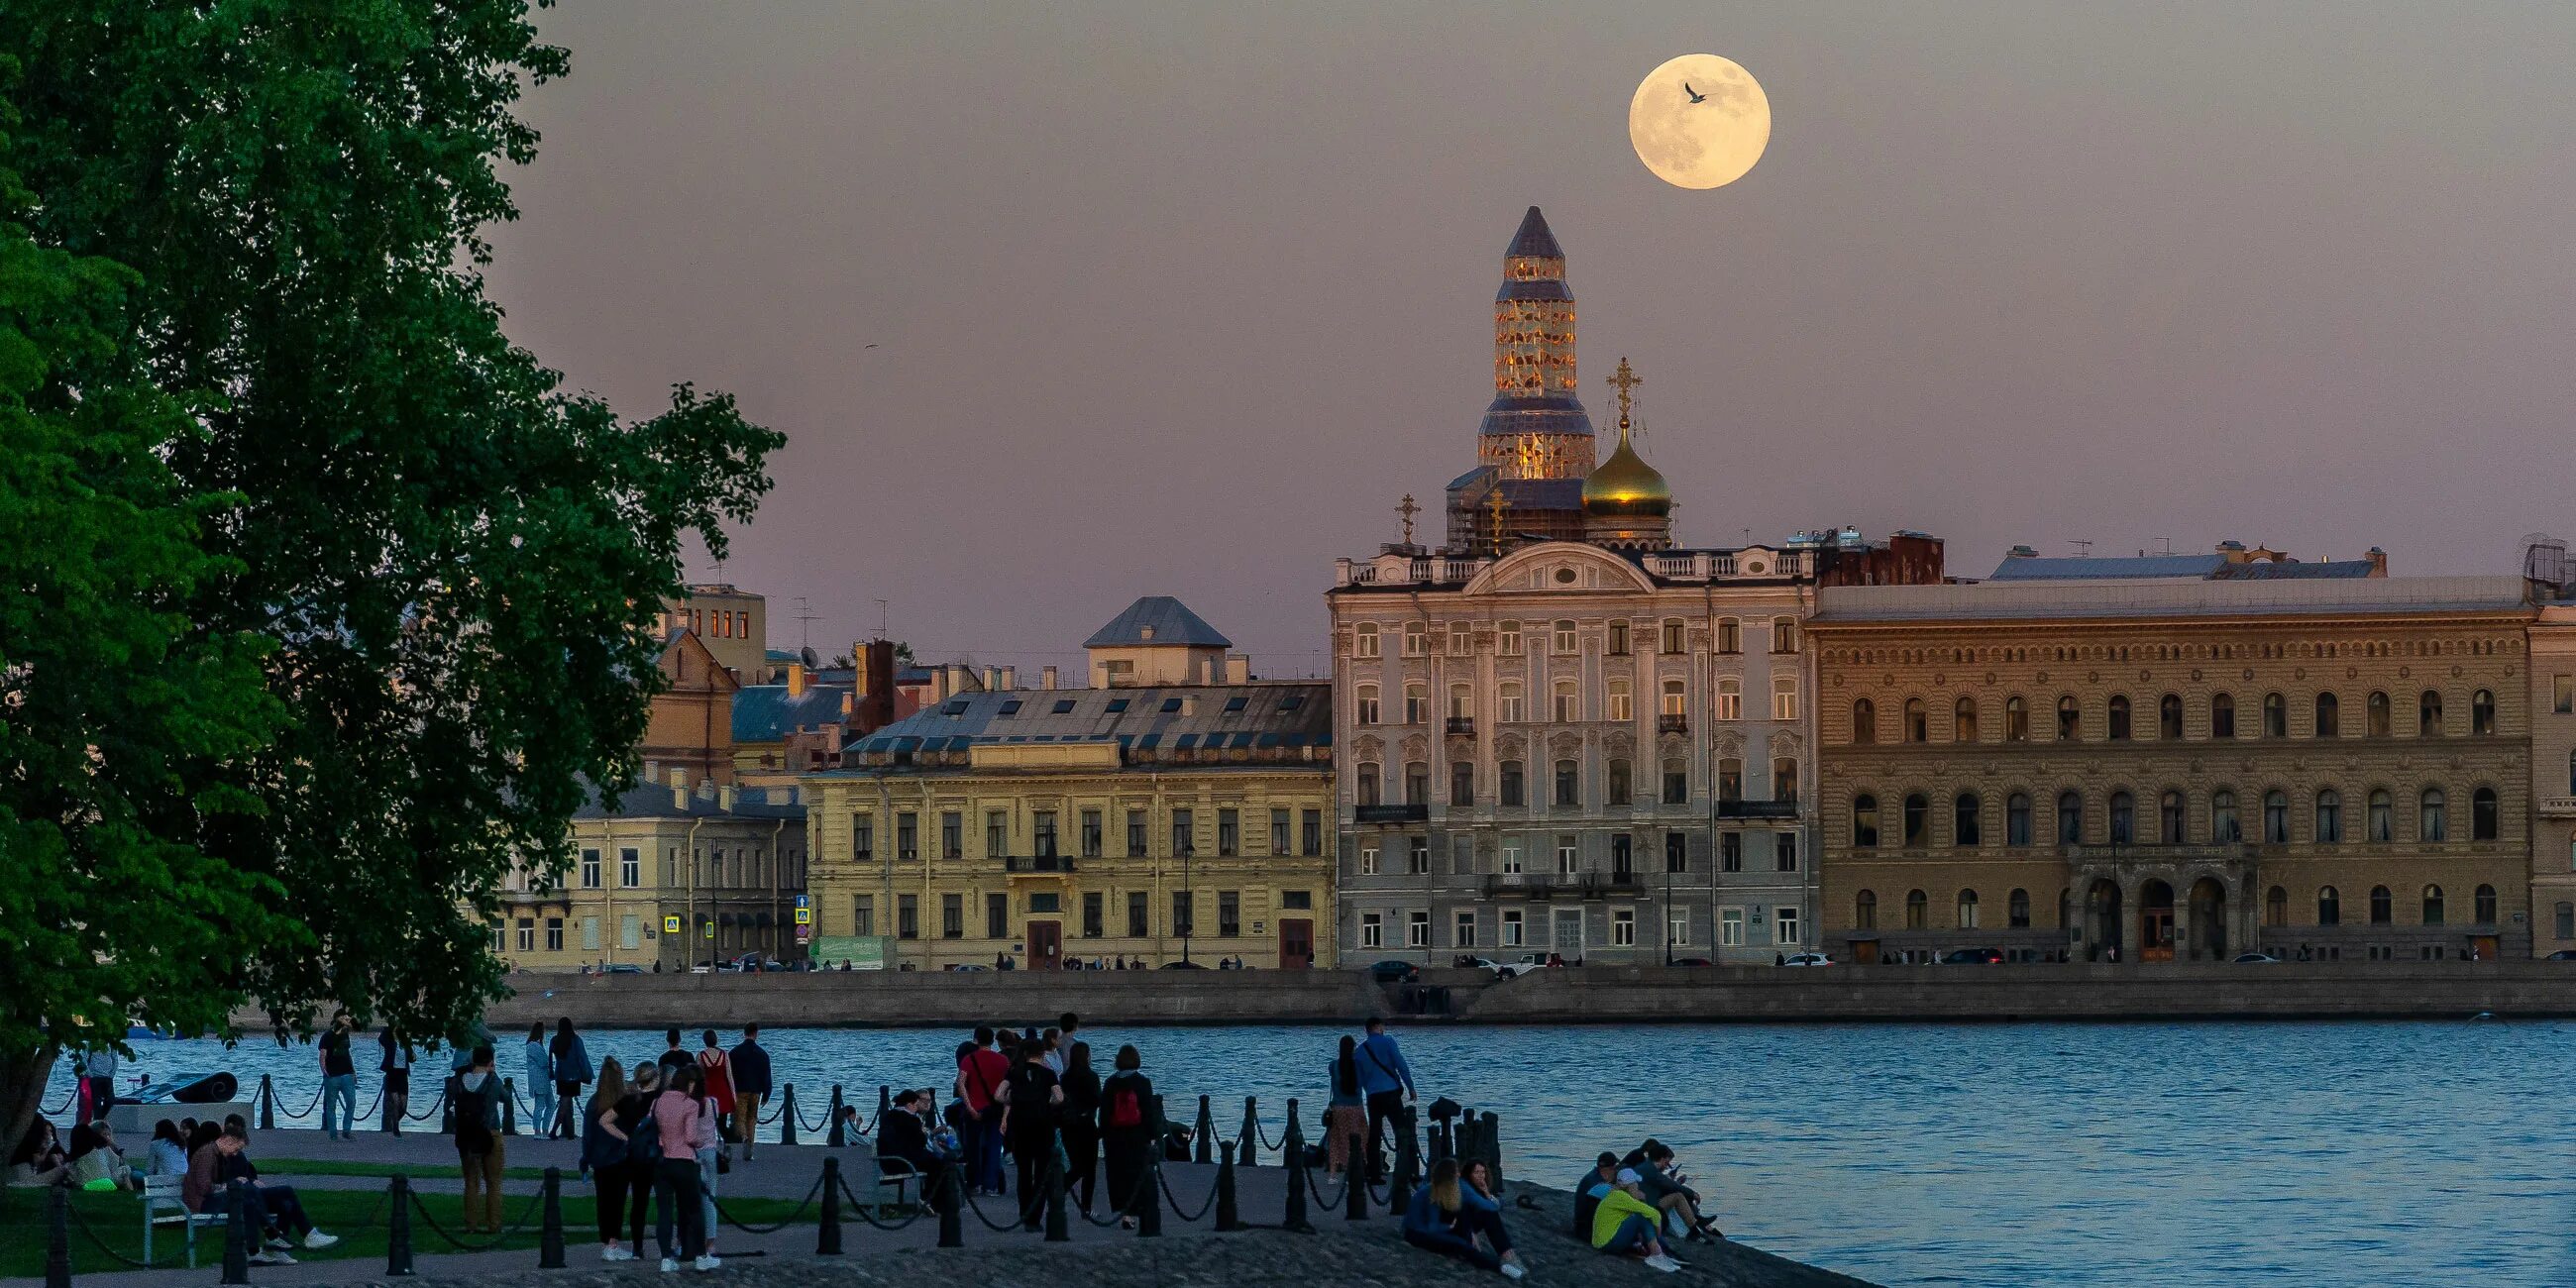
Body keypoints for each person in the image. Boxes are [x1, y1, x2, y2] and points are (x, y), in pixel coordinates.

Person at [185, 1125, 337, 1262]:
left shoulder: (221, 1156)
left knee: (285, 1194)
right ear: (228, 1140)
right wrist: (232, 1185)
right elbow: (204, 1187)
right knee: (248, 1191)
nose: (235, 1153)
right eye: (236, 1149)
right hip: (206, 1204)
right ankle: (272, 1236)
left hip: (228, 1198)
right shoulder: (207, 1154)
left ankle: (306, 1235)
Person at [1402, 1158, 1525, 1278]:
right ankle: (1500, 1267)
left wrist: (1487, 1193)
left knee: (1487, 1213)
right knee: (1460, 1245)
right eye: (1456, 1172)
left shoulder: (1455, 1188)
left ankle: (1507, 1254)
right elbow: (1432, 1227)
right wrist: (1450, 1227)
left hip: (1441, 1226)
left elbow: (1489, 1207)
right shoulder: (1430, 1192)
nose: (1459, 1174)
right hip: (1419, 1232)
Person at [652, 1063, 717, 1271]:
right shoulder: (690, 1105)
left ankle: (665, 1258)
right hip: (683, 1161)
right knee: (693, 1210)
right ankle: (701, 1256)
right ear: (688, 1085)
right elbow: (690, 1137)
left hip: (663, 1162)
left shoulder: (658, 1102)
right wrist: (699, 1142)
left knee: (664, 1211)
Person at [581, 1058, 643, 1262]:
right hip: (619, 1157)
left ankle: (607, 1242)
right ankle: (613, 1242)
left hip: (599, 1159)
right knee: (617, 1201)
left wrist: (586, 1156)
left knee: (603, 1201)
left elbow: (587, 1134)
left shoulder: (594, 1102)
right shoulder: (623, 1103)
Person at [1003, 1037, 1063, 1230]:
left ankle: (1024, 1212)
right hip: (1043, 1126)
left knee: (1024, 1173)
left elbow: (998, 1095)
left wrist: (1012, 1099)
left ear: (1025, 1054)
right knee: (1041, 1173)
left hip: (1020, 1126)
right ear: (1043, 1053)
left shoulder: (1014, 1072)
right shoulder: (1048, 1074)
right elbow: (1059, 1097)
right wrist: (1047, 1102)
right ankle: (1035, 1217)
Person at [1097, 1044, 1154, 1230]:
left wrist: (1103, 1132)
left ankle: (1124, 1213)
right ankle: (1138, 1210)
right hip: (1137, 1135)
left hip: (1114, 1137)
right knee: (1137, 1173)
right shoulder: (1143, 1082)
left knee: (1117, 1176)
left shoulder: (1110, 1083)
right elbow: (1148, 1111)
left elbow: (1104, 1112)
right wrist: (1152, 1135)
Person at [451, 1043, 506, 1234]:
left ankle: (471, 1224)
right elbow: (506, 1098)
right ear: (491, 1061)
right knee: (493, 1182)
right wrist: (494, 1073)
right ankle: (494, 1224)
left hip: (466, 1134)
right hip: (490, 1132)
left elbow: (450, 1097)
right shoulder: (493, 1081)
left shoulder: (459, 1080)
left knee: (471, 1181)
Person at [1355, 1018, 1417, 1182]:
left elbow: (1359, 1080)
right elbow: (1401, 1065)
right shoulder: (1389, 1042)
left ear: (1366, 1030)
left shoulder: (1360, 1051)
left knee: (1374, 1134)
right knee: (1401, 1130)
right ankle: (1407, 1169)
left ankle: (1374, 1173)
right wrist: (1410, 1086)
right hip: (1390, 1092)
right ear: (1378, 1027)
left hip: (1373, 1096)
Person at [1623, 1139, 1721, 1240]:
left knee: (1677, 1193)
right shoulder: (1650, 1170)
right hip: (1647, 1206)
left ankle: (1696, 1223)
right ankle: (1694, 1228)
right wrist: (1693, 1194)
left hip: (1642, 1203)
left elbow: (1665, 1184)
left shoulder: (1645, 1167)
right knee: (1678, 1196)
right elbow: (1671, 1185)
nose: (1667, 1166)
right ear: (1661, 1159)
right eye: (1666, 1163)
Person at [1590, 1168, 1681, 1272]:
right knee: (1640, 1217)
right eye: (1635, 1183)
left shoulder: (1614, 1194)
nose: (1637, 1186)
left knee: (1639, 1215)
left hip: (1601, 1242)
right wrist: (1658, 1234)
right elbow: (1655, 1214)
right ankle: (1657, 1253)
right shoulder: (1621, 1196)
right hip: (1607, 1244)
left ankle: (1656, 1250)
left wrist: (1639, 1199)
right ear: (1627, 1185)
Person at [955, 1027, 1010, 1196]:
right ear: (993, 1041)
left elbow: (960, 1083)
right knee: (994, 1148)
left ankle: (975, 1183)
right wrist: (1006, 1116)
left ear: (975, 1040)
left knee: (973, 1148)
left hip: (975, 1108)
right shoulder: (1003, 1060)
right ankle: (990, 1186)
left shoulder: (969, 1059)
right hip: (996, 1109)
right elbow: (1008, 1088)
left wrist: (969, 1106)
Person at [1057, 1041, 1102, 1212]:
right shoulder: (1091, 1077)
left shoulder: (1064, 1077)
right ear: (1087, 1056)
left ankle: (1061, 1187)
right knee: (1089, 1168)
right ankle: (1086, 1207)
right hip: (1087, 1123)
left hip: (1068, 1124)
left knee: (1077, 1163)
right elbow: (1097, 1099)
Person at [1324, 1034, 1367, 1176]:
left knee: (1336, 1139)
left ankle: (1334, 1171)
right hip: (1356, 1107)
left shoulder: (1333, 1065)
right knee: (1359, 1138)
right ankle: (1356, 1166)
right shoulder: (1359, 1065)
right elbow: (1362, 1082)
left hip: (1338, 1107)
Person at [315, 1013, 359, 1139]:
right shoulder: (327, 1036)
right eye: (344, 1019)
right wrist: (324, 1070)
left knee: (351, 1102)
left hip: (347, 1074)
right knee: (331, 1105)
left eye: (348, 1018)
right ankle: (333, 1132)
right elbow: (322, 1054)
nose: (347, 1021)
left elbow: (347, 1053)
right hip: (332, 1076)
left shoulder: (345, 1035)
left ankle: (346, 1130)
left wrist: (353, 1071)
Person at [730, 1024, 772, 1156]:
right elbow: (766, 1076)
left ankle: (743, 1137)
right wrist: (766, 1094)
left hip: (740, 1090)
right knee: (752, 1119)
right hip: (756, 1091)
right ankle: (750, 1149)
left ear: (744, 1033)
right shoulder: (762, 1054)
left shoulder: (734, 1053)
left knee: (739, 1119)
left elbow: (729, 1074)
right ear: (756, 1034)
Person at [549, 1018, 594, 1139]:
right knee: (566, 1101)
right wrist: (587, 1073)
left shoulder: (554, 1040)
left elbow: (550, 1058)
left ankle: (569, 1132)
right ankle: (554, 1130)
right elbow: (582, 1058)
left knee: (567, 1101)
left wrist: (551, 1073)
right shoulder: (575, 1040)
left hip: (560, 1075)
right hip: (573, 1075)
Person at [695, 1029, 736, 1147]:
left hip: (708, 1092)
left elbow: (698, 1077)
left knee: (708, 1122)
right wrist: (733, 1095)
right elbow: (729, 1076)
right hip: (723, 1092)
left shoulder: (701, 1055)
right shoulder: (724, 1054)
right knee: (722, 1123)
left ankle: (711, 1146)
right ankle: (729, 1142)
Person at [65, 1122, 134, 1192]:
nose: (107, 1137)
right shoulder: (102, 1149)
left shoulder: (75, 1154)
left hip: (86, 1184)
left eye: (108, 1135)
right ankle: (130, 1189)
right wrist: (114, 1147)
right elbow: (114, 1166)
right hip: (106, 1182)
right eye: (104, 1134)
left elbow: (71, 1172)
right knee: (125, 1169)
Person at [1572, 1151, 1620, 1236]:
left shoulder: (1594, 1176)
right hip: (1587, 1228)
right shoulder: (1598, 1183)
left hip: (1582, 1224)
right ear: (1612, 1167)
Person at [8, 1122, 67, 1187]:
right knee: (62, 1170)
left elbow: (65, 1157)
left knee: (60, 1162)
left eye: (50, 1131)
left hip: (36, 1175)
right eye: (45, 1132)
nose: (48, 1134)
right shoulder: (34, 1147)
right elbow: (36, 1161)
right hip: (29, 1179)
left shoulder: (53, 1146)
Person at [378, 1023, 413, 1135]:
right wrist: (387, 1029)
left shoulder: (405, 1043)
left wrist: (413, 1056)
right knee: (395, 1101)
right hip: (392, 1073)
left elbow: (411, 1057)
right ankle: (396, 1127)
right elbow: (381, 1039)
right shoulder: (389, 1043)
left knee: (403, 1104)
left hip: (403, 1073)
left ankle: (395, 1121)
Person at [524, 1022, 555, 1144]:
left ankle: (544, 1130)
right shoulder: (534, 1046)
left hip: (543, 1080)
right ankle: (538, 1131)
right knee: (541, 1105)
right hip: (539, 1080)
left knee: (550, 1104)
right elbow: (543, 1062)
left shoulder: (533, 1045)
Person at [79, 1046, 119, 1127]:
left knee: (110, 1100)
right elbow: (84, 1059)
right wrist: (90, 1075)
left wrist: (112, 1074)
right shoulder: (90, 1044)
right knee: (96, 1103)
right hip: (94, 1077)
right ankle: (97, 1124)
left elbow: (115, 1059)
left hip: (107, 1077)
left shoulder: (111, 1044)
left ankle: (99, 1120)